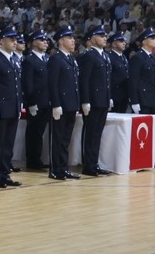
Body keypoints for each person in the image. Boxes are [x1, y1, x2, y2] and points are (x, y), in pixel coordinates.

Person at [77, 25, 113, 176]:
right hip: (92, 100)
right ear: (92, 39)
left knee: (97, 133)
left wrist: (109, 97)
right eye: (100, 36)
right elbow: (84, 80)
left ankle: (94, 163)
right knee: (90, 133)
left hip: (103, 100)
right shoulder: (89, 55)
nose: (104, 38)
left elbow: (106, 80)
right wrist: (85, 101)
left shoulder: (105, 55)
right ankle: (88, 164)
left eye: (105, 36)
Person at [46, 26, 81, 180]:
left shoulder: (71, 59)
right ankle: (55, 169)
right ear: (60, 41)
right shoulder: (56, 58)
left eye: (73, 38)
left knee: (66, 139)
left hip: (71, 104)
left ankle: (63, 167)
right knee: (58, 138)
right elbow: (53, 83)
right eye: (69, 38)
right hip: (60, 104)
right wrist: (56, 104)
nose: (73, 41)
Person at [0, 26, 23, 187]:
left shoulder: (15, 60)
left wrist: (19, 105)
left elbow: (17, 86)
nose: (14, 42)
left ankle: (5, 173)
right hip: (3, 108)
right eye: (11, 39)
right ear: (2, 41)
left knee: (8, 144)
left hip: (13, 107)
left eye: (15, 39)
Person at [21, 31, 51, 171]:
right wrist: (31, 102)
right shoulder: (29, 60)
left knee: (39, 132)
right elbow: (28, 84)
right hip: (36, 102)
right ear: (33, 42)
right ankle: (32, 160)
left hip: (46, 102)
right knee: (33, 132)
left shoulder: (47, 59)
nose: (45, 42)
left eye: (46, 40)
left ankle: (37, 158)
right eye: (41, 40)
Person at [128, 27, 155, 115]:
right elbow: (133, 80)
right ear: (144, 41)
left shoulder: (152, 57)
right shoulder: (138, 57)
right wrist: (134, 101)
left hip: (152, 98)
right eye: (152, 38)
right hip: (142, 99)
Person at [107, 32, 130, 112]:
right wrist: (109, 97)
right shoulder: (110, 57)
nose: (124, 43)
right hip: (114, 94)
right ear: (114, 44)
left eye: (124, 41)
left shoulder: (123, 57)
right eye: (121, 41)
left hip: (124, 93)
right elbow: (108, 78)